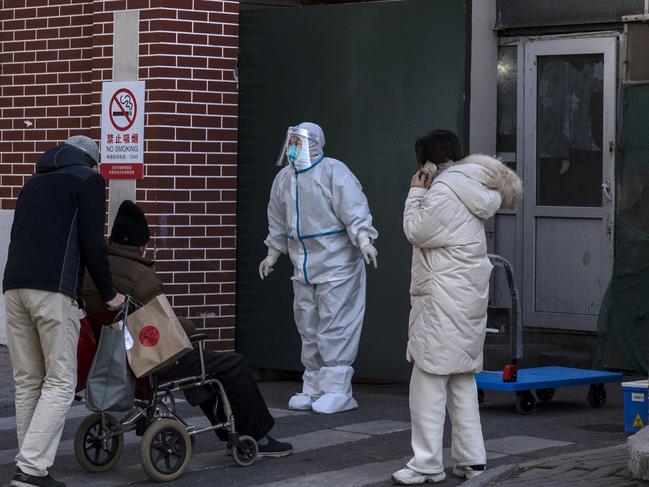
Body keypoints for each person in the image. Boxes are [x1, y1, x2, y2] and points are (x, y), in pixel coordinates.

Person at [82, 200, 293, 457]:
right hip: (148, 363)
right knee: (231, 364)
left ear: (112, 241)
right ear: (142, 245)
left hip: (110, 360)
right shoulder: (142, 278)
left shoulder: (92, 272)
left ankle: (231, 433)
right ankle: (257, 437)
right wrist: (189, 327)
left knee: (201, 367)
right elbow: (162, 328)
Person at [391, 130, 522, 485]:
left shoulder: (444, 191)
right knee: (461, 378)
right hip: (465, 297)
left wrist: (416, 192)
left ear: (430, 162)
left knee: (428, 381)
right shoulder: (471, 185)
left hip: (440, 298)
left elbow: (416, 231)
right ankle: (472, 459)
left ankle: (426, 463)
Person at [2, 135, 125, 487]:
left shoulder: (32, 181)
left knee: (28, 381)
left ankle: (32, 466)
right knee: (60, 380)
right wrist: (108, 293)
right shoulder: (88, 180)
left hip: (14, 286)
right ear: (92, 162)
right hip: (53, 291)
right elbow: (91, 244)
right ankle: (29, 468)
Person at [259, 122, 378, 414]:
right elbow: (277, 220)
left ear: (314, 144)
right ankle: (312, 385)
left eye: (298, 143)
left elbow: (354, 210)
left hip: (337, 263)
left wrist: (364, 240)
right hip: (304, 266)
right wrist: (273, 254)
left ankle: (338, 388)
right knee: (308, 324)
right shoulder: (284, 180)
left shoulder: (333, 172)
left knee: (335, 324)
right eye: (290, 143)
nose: (292, 149)